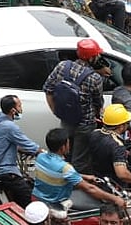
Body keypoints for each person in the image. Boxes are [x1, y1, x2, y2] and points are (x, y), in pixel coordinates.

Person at [43, 38, 108, 172]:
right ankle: (76, 184)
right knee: (80, 157)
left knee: (65, 151)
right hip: (85, 124)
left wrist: (55, 111)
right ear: (91, 58)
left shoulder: (62, 66)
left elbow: (48, 88)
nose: (98, 57)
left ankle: (63, 173)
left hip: (66, 118)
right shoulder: (94, 78)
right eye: (96, 55)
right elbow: (98, 102)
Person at [32, 127, 128, 214]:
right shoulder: (66, 168)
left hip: (37, 198)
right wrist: (115, 198)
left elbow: (59, 172)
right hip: (55, 205)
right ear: (63, 147)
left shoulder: (41, 157)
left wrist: (85, 176)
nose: (70, 145)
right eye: (68, 143)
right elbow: (90, 189)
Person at [0, 95, 41, 205]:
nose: (21, 108)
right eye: (20, 106)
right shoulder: (9, 126)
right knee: (27, 197)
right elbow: (29, 145)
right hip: (4, 171)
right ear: (13, 110)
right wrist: (43, 152)